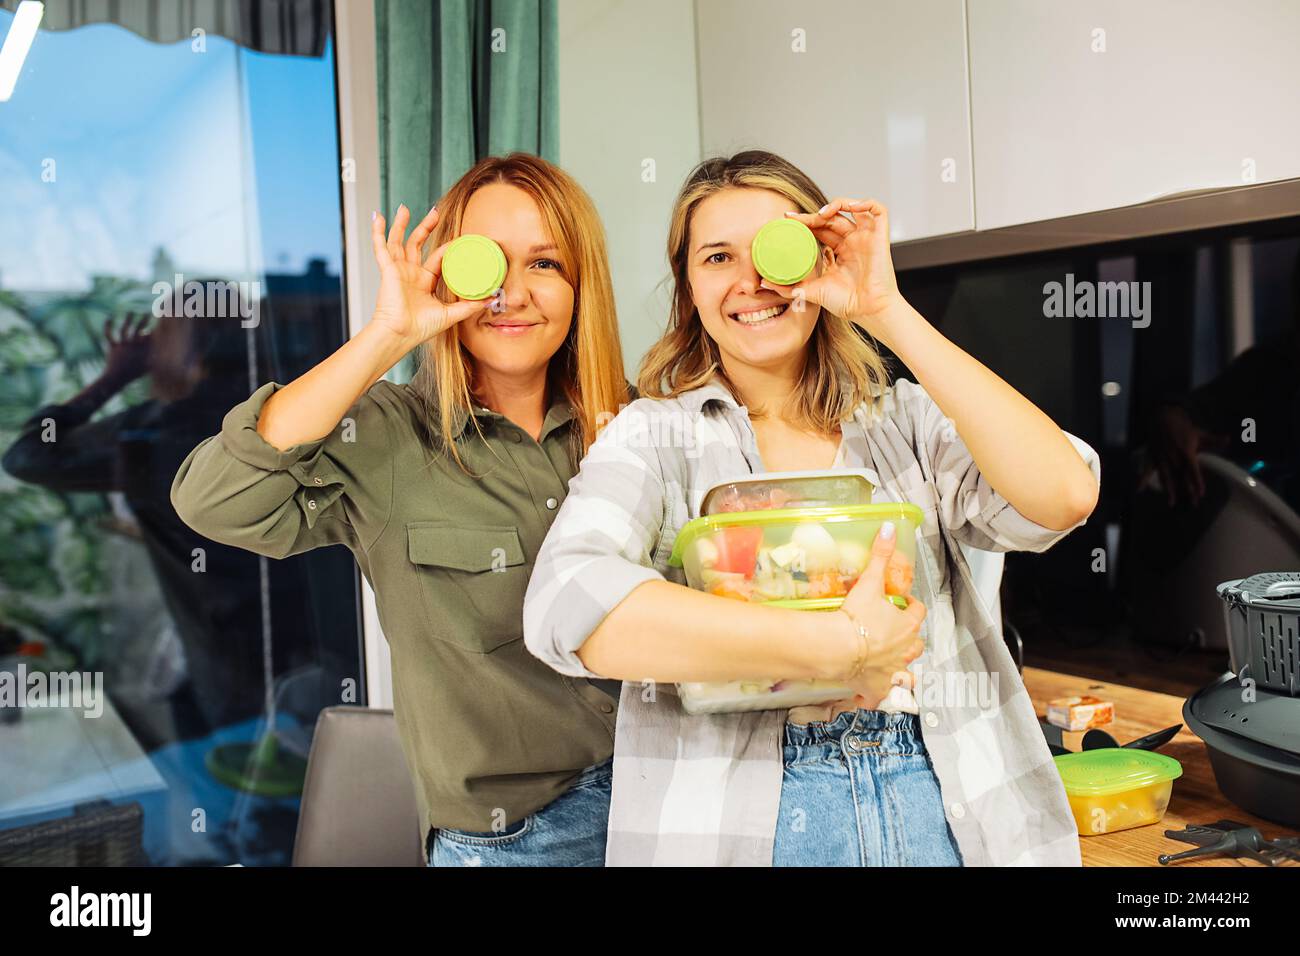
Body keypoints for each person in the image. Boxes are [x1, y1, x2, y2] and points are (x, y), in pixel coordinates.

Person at [524, 150, 1101, 866]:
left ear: (818, 260)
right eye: (716, 258)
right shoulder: (653, 436)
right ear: (689, 290)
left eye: (775, 250)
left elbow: (1063, 494)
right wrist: (843, 649)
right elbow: (567, 605)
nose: (750, 282)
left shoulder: (905, 424)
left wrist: (886, 311)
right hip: (744, 822)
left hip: (943, 797)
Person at [171, 153, 630, 866]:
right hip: (519, 842)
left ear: (579, 286)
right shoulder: (383, 435)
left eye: (545, 264)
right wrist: (385, 336)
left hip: (665, 808)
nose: (512, 292)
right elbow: (214, 501)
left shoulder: (636, 424)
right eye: (487, 263)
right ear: (447, 275)